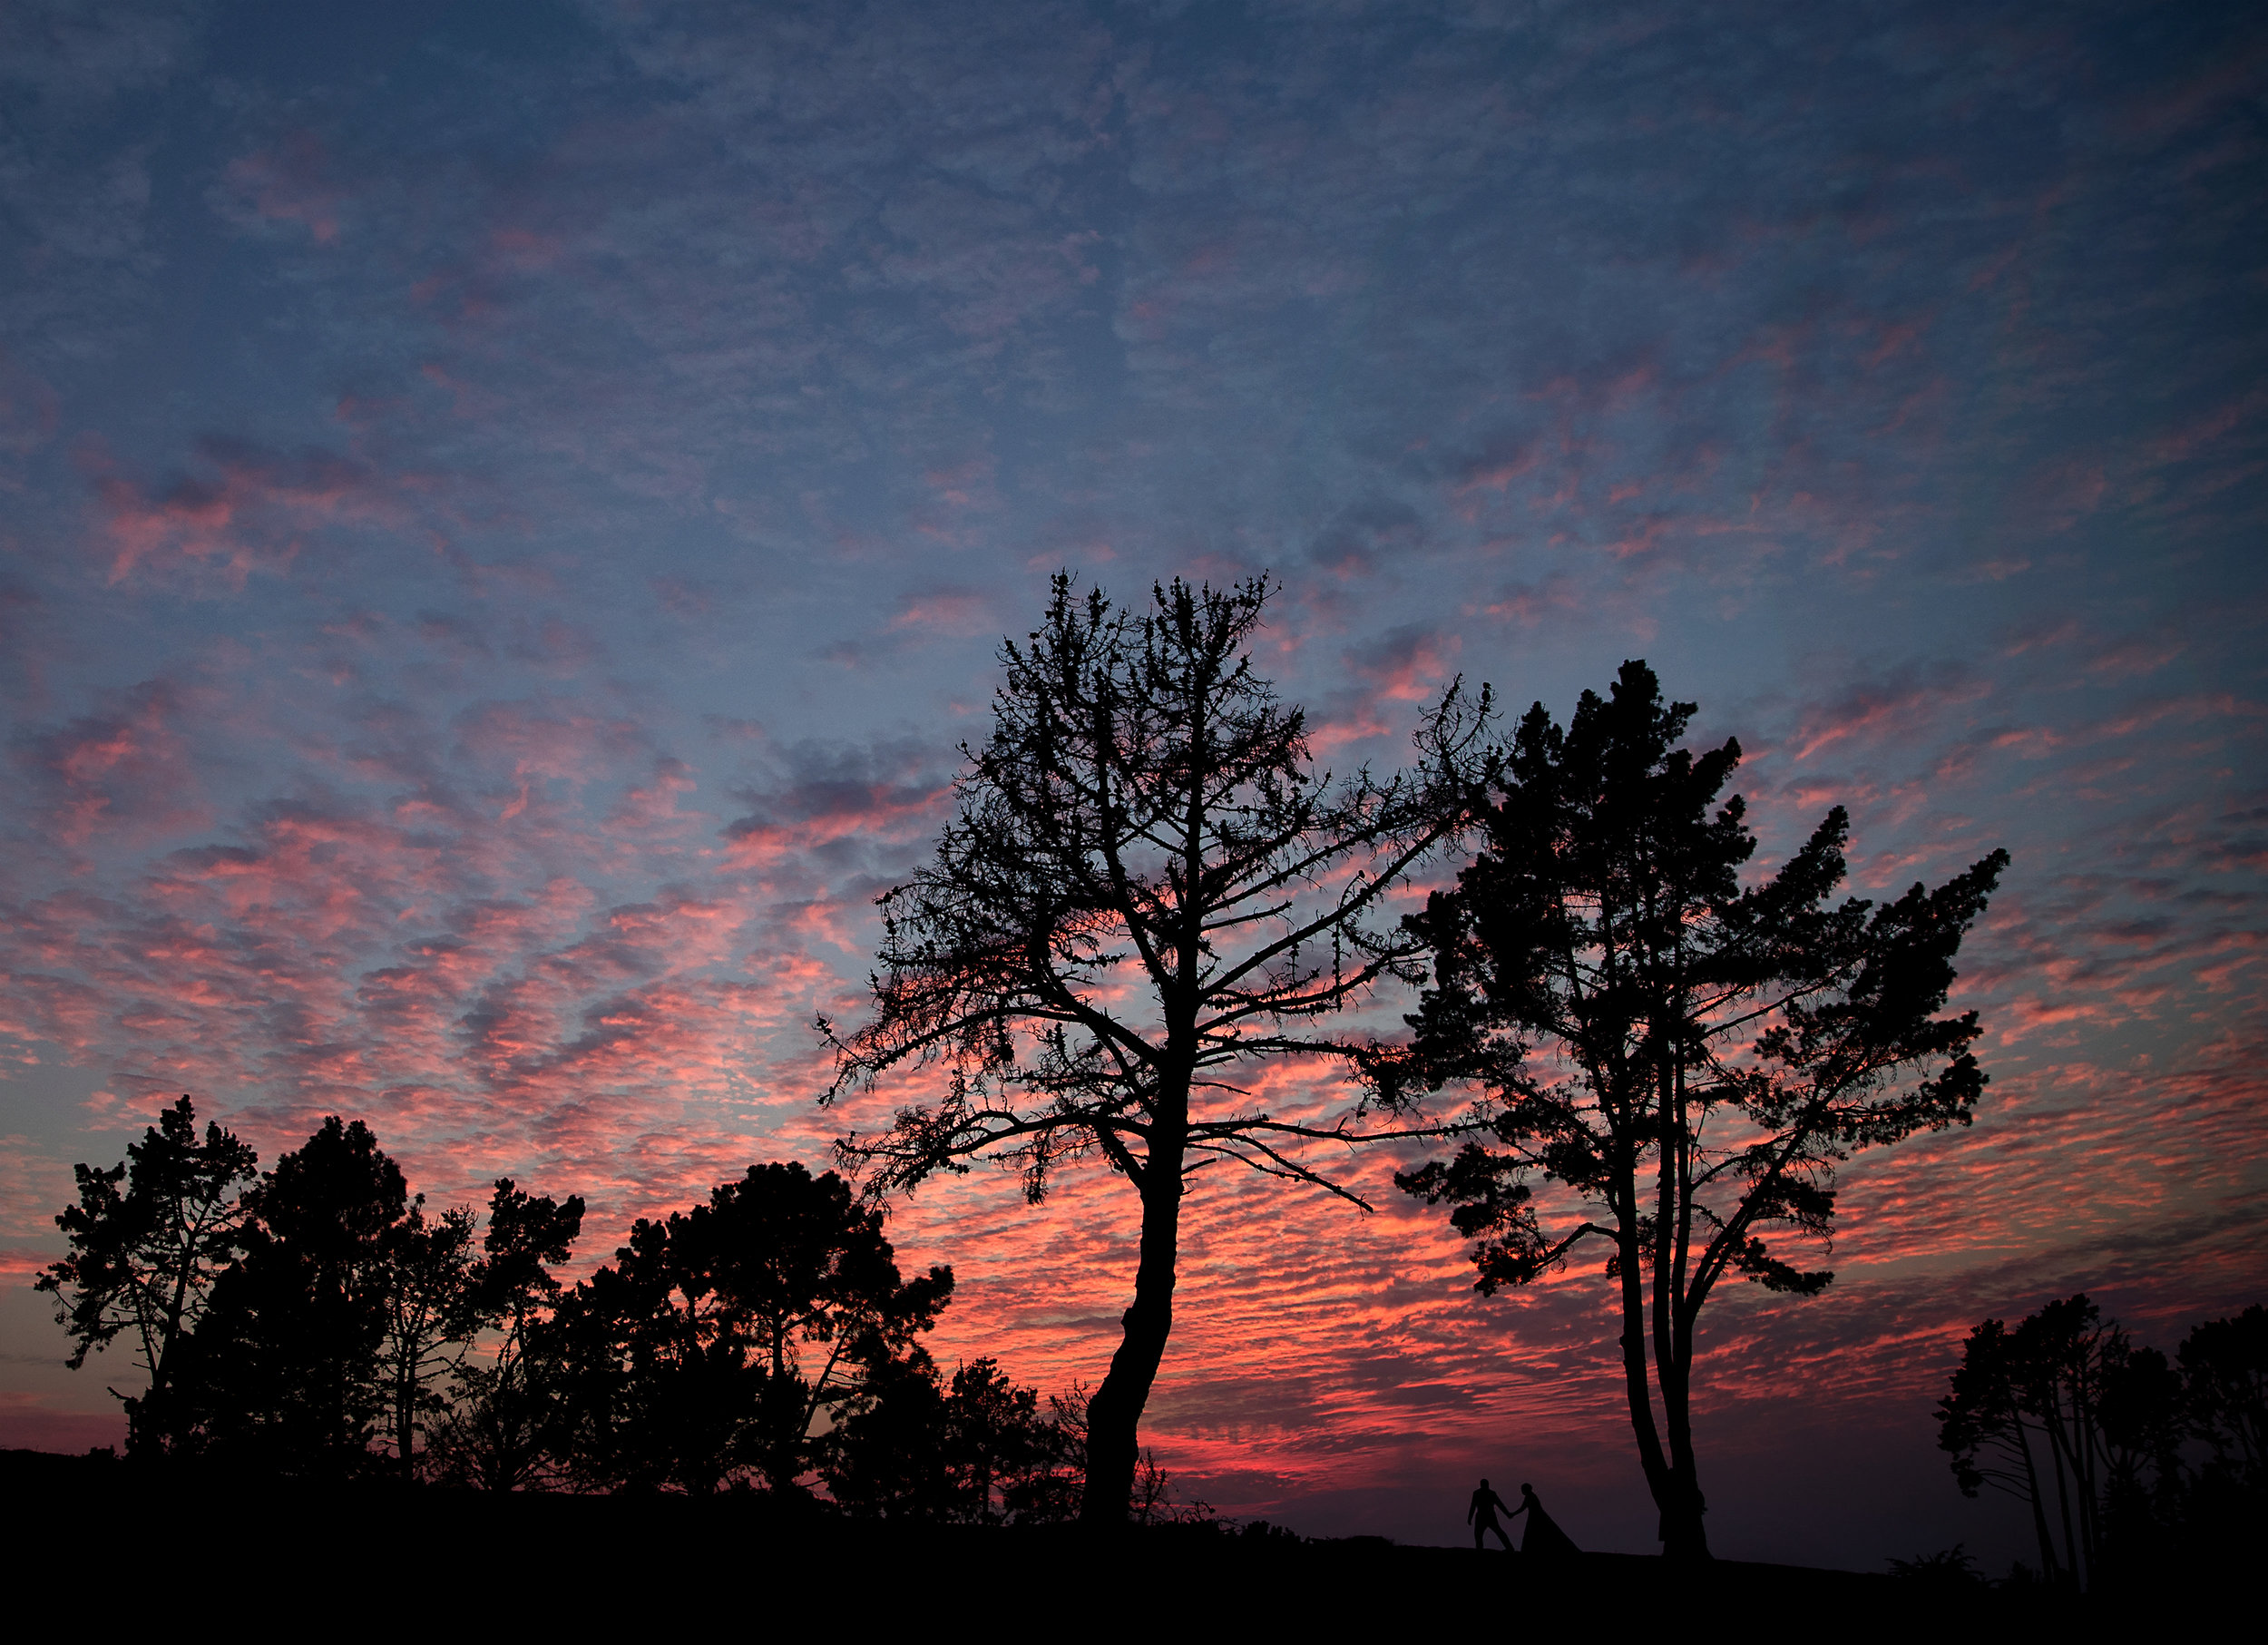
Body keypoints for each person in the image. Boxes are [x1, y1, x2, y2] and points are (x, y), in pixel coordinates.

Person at [1517, 1483, 1580, 1557]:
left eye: (1522, 1489)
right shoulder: (1531, 1496)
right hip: (1537, 1517)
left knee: (1534, 1533)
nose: (1522, 1491)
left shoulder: (1530, 1497)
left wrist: (1512, 1514)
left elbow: (1522, 1508)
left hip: (1536, 1518)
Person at [1468, 1477, 1516, 1552]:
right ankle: (1509, 1548)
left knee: (1482, 1534)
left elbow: (1473, 1506)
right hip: (1487, 1516)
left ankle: (1509, 1548)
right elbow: (1500, 1505)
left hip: (1484, 1516)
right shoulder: (1490, 1493)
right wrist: (1507, 1514)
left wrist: (1470, 1518)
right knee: (1482, 1534)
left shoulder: (1478, 1493)